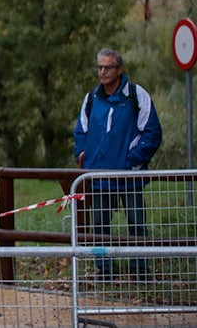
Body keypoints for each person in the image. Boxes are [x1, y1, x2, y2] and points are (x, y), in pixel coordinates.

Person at [72, 48, 162, 281]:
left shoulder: (135, 95)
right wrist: (83, 156)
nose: (102, 72)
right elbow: (80, 131)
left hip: (129, 176)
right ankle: (104, 269)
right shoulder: (91, 98)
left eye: (107, 67)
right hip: (99, 176)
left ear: (119, 69)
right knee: (100, 227)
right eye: (99, 67)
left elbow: (152, 133)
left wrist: (132, 159)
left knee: (136, 223)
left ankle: (140, 269)